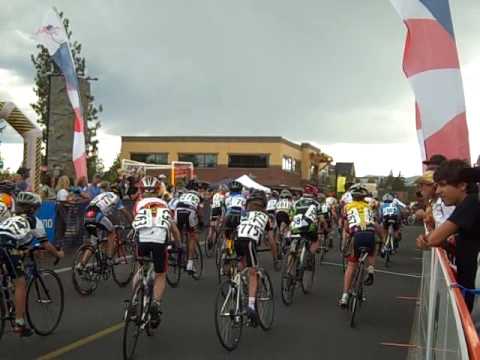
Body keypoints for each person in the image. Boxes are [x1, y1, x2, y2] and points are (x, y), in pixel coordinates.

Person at [416, 160, 480, 312]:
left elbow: (432, 239)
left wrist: (429, 240)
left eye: (443, 184)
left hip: (473, 291)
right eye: (437, 185)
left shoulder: (470, 203)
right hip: (468, 285)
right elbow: (467, 246)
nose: (438, 191)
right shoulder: (467, 204)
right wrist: (444, 244)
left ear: (462, 185)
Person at [0, 192, 64, 336]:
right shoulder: (34, 221)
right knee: (20, 283)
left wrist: (26, 250)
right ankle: (19, 323)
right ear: (33, 209)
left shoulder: (11, 218)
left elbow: (20, 242)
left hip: (4, 242)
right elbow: (46, 244)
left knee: (8, 271)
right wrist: (58, 254)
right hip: (7, 246)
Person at [132, 180, 181, 327]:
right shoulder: (164, 204)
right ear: (158, 190)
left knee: (140, 269)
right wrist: (179, 245)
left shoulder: (139, 204)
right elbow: (173, 229)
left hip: (143, 240)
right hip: (159, 241)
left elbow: (135, 223)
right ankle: (155, 304)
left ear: (141, 190)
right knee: (160, 274)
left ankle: (134, 300)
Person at [339, 186, 383, 307]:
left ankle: (345, 295)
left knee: (352, 265)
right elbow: (377, 226)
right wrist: (382, 239)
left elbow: (347, 227)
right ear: (364, 198)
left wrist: (348, 236)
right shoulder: (368, 207)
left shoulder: (347, 207)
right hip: (369, 234)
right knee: (372, 251)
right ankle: (370, 270)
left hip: (357, 235)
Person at [235, 190, 272, 322]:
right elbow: (270, 239)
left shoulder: (244, 214)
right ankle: (251, 306)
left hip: (238, 239)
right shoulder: (265, 217)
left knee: (241, 263)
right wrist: (274, 253)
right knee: (253, 273)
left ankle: (237, 285)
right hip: (250, 242)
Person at [80, 182, 132, 270]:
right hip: (97, 216)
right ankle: (109, 258)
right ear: (119, 194)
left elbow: (107, 212)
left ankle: (81, 265)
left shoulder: (102, 195)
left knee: (94, 243)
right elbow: (125, 213)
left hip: (87, 216)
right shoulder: (116, 198)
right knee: (111, 232)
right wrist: (132, 223)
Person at [172, 180, 203, 274]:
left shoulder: (183, 194)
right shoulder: (199, 196)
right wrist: (201, 221)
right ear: (197, 189)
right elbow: (200, 211)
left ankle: (177, 249)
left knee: (177, 231)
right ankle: (190, 263)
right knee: (192, 236)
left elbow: (174, 207)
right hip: (190, 210)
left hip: (178, 210)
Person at [207, 185, 227, 250]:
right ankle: (214, 241)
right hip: (220, 209)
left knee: (211, 227)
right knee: (219, 227)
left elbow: (211, 203)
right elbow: (224, 206)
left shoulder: (215, 195)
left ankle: (209, 238)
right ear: (223, 191)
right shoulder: (224, 196)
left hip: (213, 209)